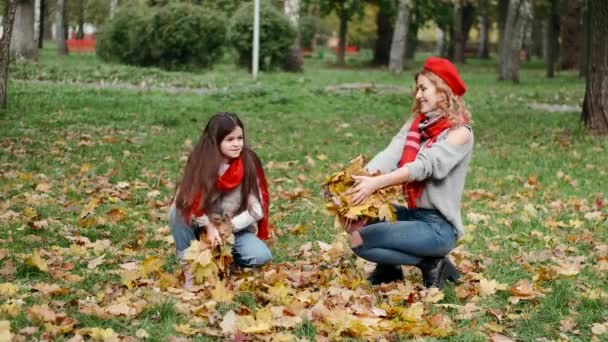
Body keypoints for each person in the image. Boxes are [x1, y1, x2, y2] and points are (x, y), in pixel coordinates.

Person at [344, 57, 473, 289]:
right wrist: (356, 181)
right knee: (358, 218)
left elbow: (422, 167)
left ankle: (430, 262)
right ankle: (390, 268)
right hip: (413, 215)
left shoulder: (460, 134)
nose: (417, 95)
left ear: (443, 91)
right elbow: (390, 155)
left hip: (438, 227)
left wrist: (377, 184)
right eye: (417, 89)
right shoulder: (416, 124)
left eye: (423, 88)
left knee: (359, 241)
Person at [168, 112, 272, 290]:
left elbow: (257, 208)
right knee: (177, 212)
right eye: (230, 139)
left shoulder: (249, 162)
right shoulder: (201, 162)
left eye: (240, 138)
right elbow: (185, 200)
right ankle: (190, 270)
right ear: (216, 141)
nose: (237, 143)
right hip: (201, 226)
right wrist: (208, 226)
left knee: (261, 256)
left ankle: (227, 260)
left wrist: (227, 228)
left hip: (234, 229)